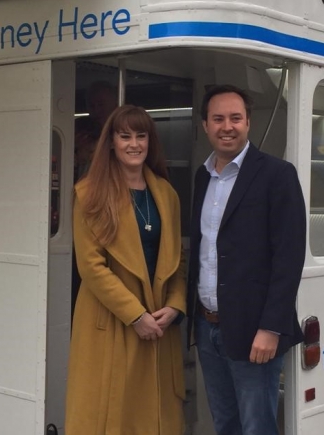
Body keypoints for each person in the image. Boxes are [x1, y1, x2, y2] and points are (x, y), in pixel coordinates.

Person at [188, 85, 306, 435]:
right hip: (208, 328)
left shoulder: (276, 175)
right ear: (205, 126)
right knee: (225, 424)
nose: (228, 126)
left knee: (257, 427)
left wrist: (271, 327)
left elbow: (289, 257)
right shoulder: (202, 176)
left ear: (248, 123)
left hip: (254, 331)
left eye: (235, 118)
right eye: (218, 118)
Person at [66, 104, 187, 435]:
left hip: (159, 324)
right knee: (111, 418)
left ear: (150, 141)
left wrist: (176, 305)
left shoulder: (166, 194)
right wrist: (136, 315)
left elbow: (178, 260)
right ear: (111, 143)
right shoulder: (88, 194)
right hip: (113, 322)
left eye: (141, 136)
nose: (134, 144)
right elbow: (91, 267)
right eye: (125, 136)